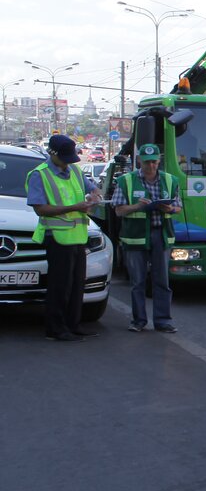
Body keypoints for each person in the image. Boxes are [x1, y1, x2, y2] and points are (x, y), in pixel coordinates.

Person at [26, 135, 104, 342]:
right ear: (52, 154)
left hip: (78, 237)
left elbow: (93, 188)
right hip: (58, 238)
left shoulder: (76, 170)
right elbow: (40, 209)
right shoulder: (39, 175)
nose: (70, 161)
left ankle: (72, 325)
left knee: (77, 285)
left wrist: (96, 195)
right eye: (65, 157)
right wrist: (74, 207)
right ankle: (55, 328)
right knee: (59, 286)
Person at [112, 143, 181, 333]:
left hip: (161, 234)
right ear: (139, 161)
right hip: (135, 237)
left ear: (159, 161)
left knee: (162, 281)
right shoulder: (125, 181)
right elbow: (118, 211)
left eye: (154, 162)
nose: (151, 166)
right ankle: (139, 321)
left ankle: (163, 321)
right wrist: (137, 206)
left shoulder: (170, 180)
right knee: (138, 282)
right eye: (147, 162)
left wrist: (170, 209)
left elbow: (178, 207)